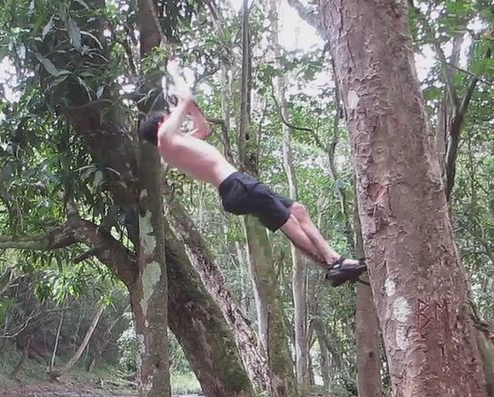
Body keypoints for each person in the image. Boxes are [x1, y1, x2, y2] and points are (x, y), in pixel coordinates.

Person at [137, 57, 367, 287]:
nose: (171, 118)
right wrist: (174, 72)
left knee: (298, 211)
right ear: (160, 125)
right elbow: (185, 99)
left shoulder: (177, 146)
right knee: (290, 223)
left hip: (236, 189)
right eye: (167, 118)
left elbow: (204, 129)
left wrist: (193, 108)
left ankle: (332, 263)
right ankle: (333, 261)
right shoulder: (165, 137)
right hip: (237, 185)